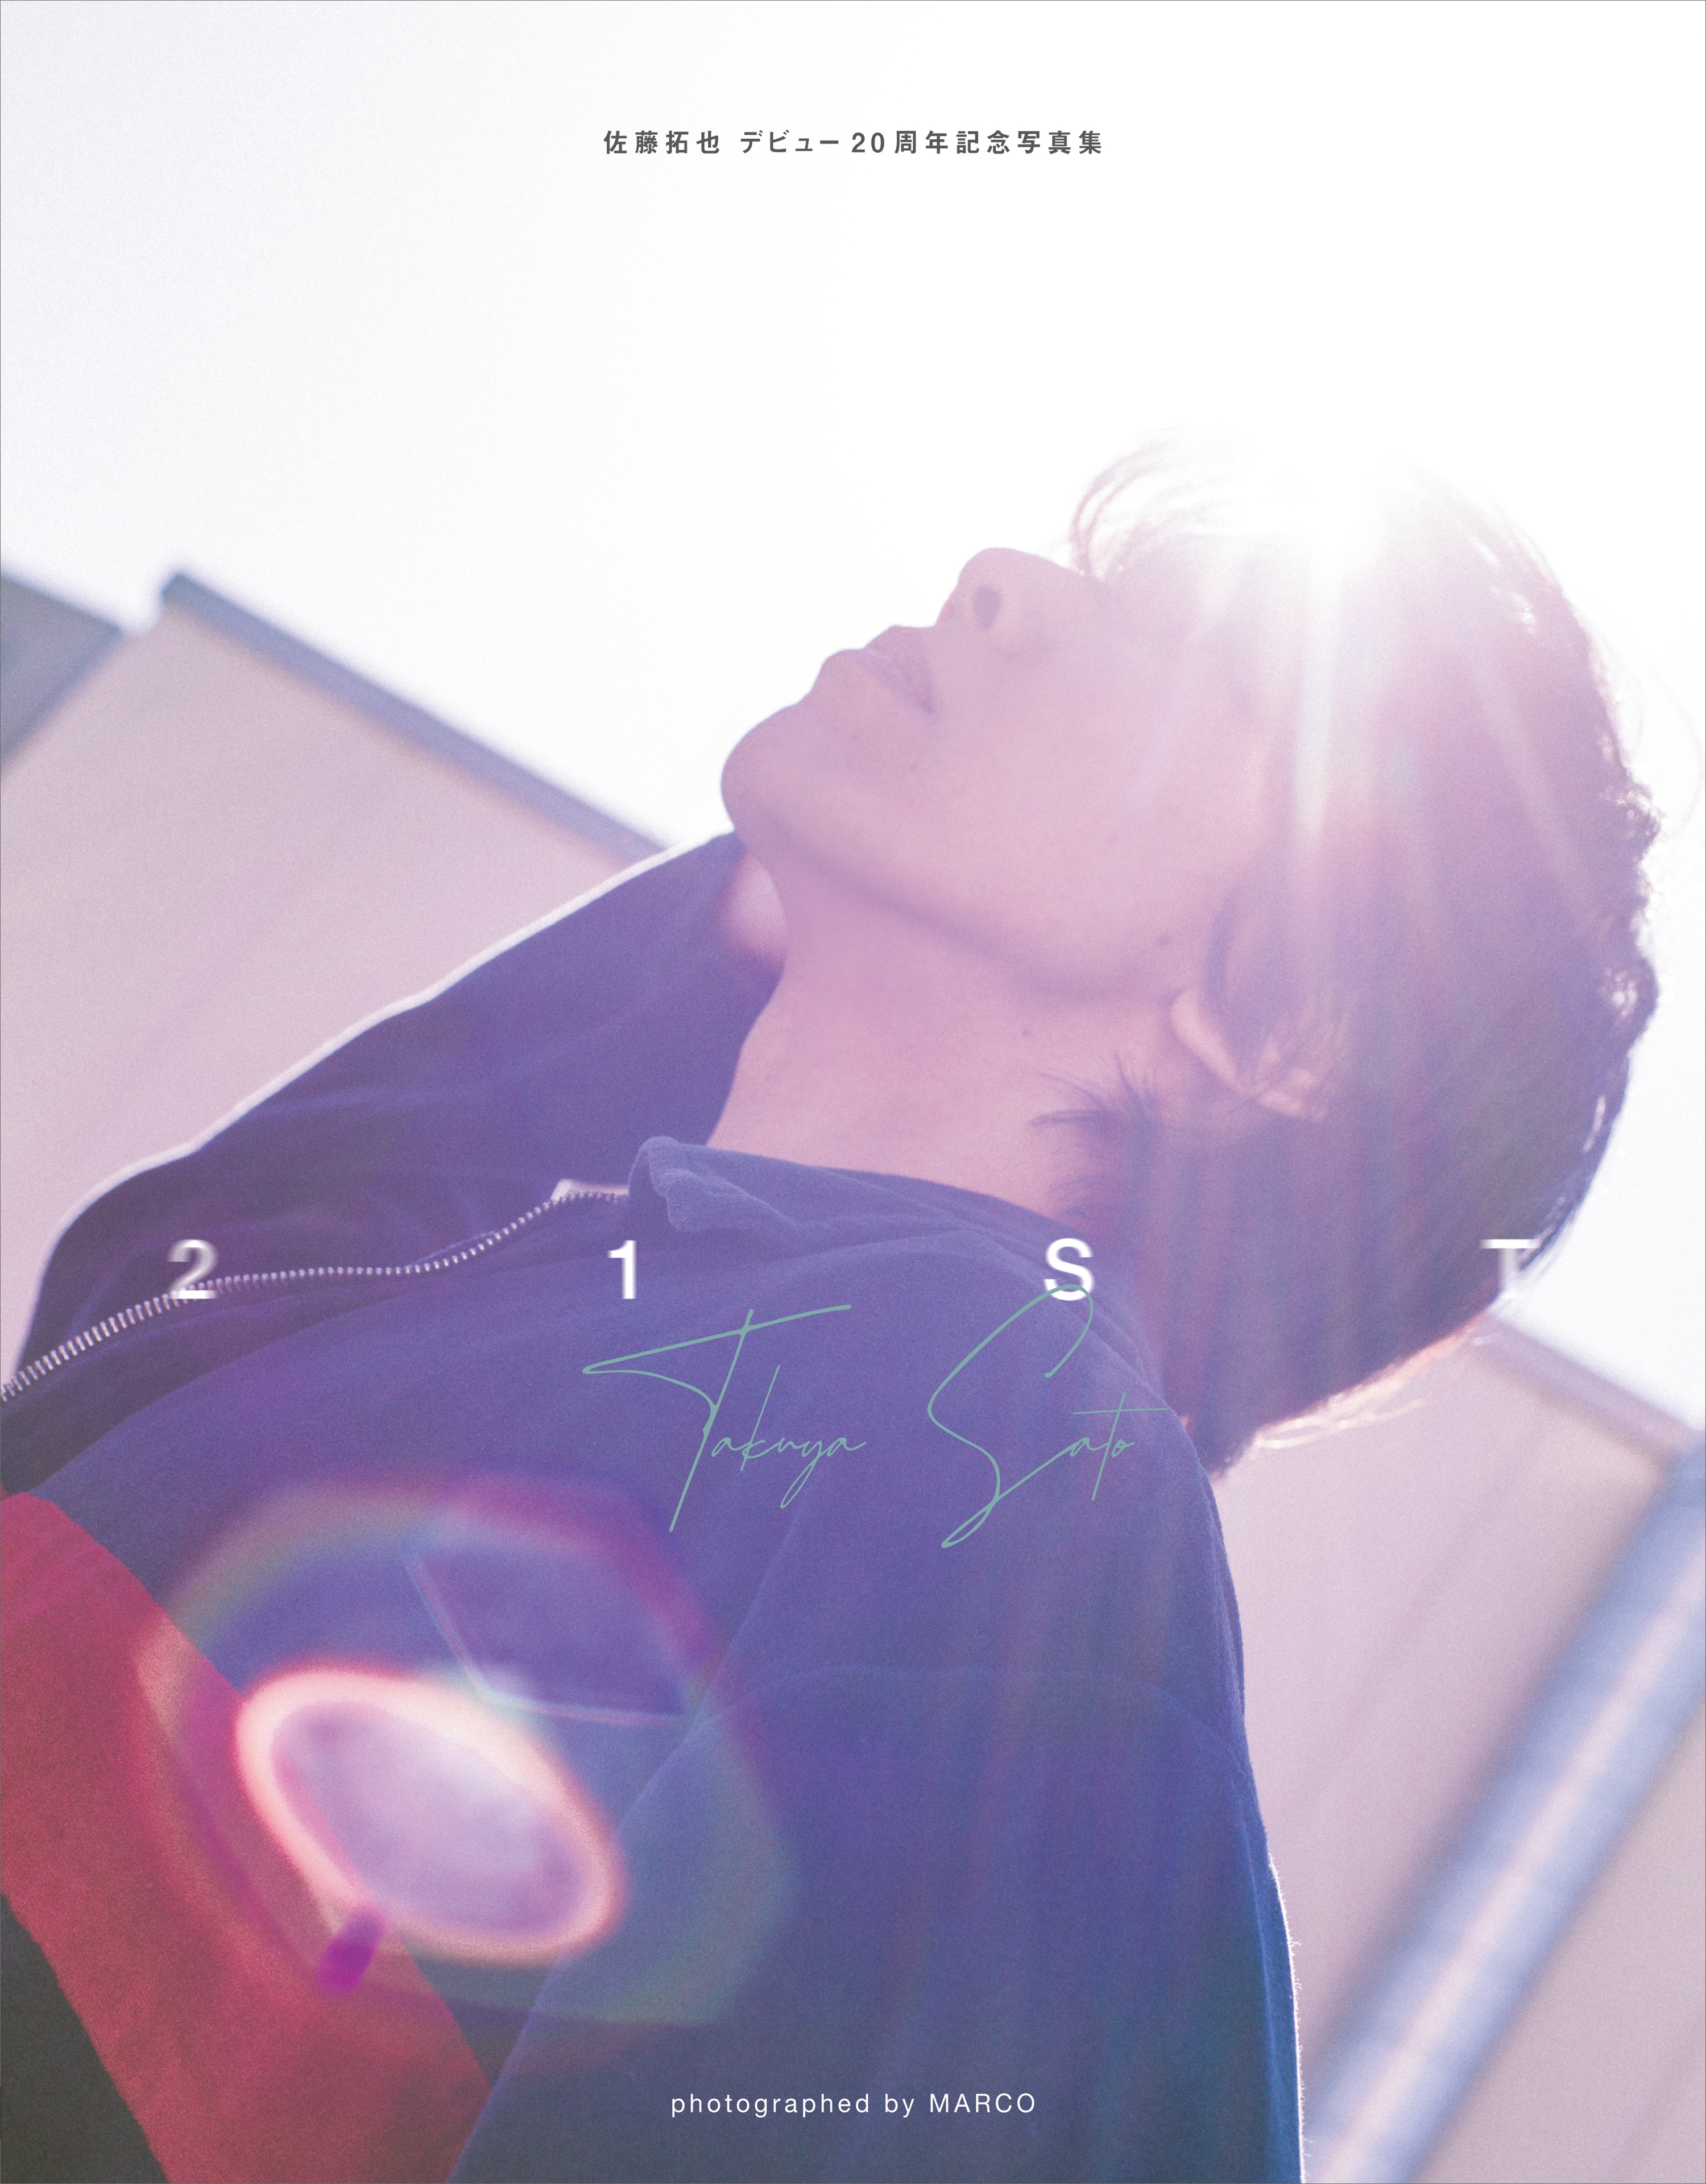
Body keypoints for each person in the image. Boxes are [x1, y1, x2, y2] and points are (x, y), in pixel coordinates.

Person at [1, 437, 1658, 2184]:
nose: (1004, 582)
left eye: (1208, 659)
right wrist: (751, 919)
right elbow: (184, 1270)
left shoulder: (1019, 1494)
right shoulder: (570, 1305)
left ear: (1290, 1032)